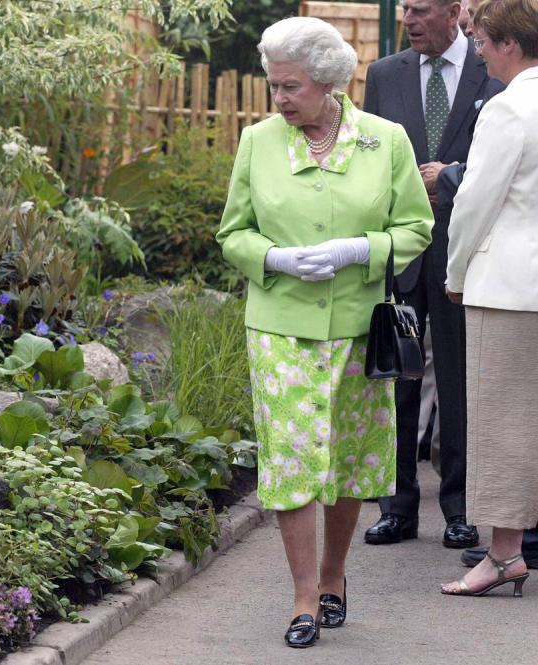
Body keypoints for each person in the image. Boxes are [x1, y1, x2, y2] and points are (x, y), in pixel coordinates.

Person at [216, 17, 432, 648]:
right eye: (273, 85)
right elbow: (233, 233)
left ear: (330, 82)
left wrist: (357, 250)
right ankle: (303, 597)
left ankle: (335, 575)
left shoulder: (384, 140)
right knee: (290, 456)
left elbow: (415, 229)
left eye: (292, 86)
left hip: (360, 327)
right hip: (279, 325)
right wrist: (276, 259)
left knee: (343, 459)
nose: (280, 98)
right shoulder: (257, 143)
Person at [360, 0, 502, 549]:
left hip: (466, 253)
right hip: (401, 254)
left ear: (454, 11)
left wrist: (451, 180)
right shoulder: (383, 75)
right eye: (405, 12)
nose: (410, 21)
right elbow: (371, 160)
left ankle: (460, 509)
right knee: (396, 378)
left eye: (421, 11)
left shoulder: (491, 74)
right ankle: (396, 507)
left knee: (462, 383)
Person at [441, 0, 538, 597]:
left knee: (503, 420)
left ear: (508, 43)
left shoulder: (508, 109)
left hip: (509, 287)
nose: (476, 51)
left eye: (481, 41)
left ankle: (504, 555)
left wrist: (455, 274)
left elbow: (474, 203)